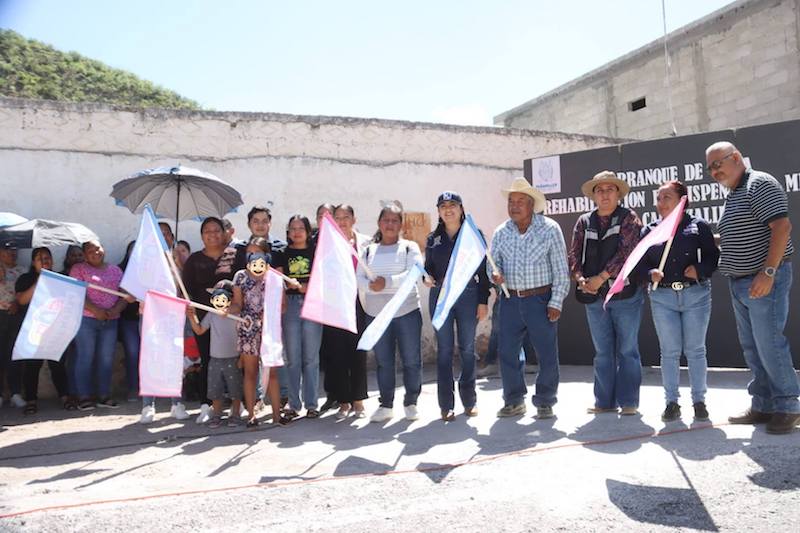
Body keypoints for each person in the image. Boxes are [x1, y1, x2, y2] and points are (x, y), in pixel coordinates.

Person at [706, 141, 800, 434]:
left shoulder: (759, 183)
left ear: (736, 158)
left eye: (718, 164)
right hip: (741, 282)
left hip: (762, 280)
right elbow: (740, 233)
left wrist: (768, 272)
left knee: (769, 344)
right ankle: (763, 404)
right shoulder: (734, 192)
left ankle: (788, 406)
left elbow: (782, 227)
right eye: (710, 167)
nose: (714, 171)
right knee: (753, 347)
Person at [638, 181, 719, 422]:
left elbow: (713, 258)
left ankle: (699, 401)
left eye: (667, 197)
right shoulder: (650, 230)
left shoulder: (698, 226)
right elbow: (639, 265)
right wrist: (649, 273)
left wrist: (700, 269)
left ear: (682, 201)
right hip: (662, 297)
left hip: (696, 295)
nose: (660, 203)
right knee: (670, 351)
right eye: (658, 198)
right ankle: (671, 402)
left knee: (695, 350)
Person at [490, 178, 569, 419]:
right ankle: (514, 400)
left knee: (546, 353)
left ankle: (545, 400)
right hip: (510, 300)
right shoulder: (501, 232)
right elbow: (492, 264)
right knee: (507, 353)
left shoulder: (550, 229)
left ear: (532, 204)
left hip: (540, 299)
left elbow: (561, 271)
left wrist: (556, 302)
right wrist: (494, 274)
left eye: (520, 202)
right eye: (511, 202)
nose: (514, 206)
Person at [569, 170, 644, 416]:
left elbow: (627, 253)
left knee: (627, 350)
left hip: (625, 297)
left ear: (618, 193)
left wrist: (601, 277)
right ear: (593, 195)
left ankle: (629, 401)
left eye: (609, 189)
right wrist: (580, 278)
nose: (604, 194)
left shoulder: (629, 218)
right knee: (602, 352)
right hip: (593, 298)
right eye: (599, 190)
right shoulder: (584, 221)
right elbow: (574, 255)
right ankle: (604, 401)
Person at [424, 191, 490, 421]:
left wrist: (483, 301)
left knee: (467, 350)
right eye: (443, 206)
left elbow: (483, 272)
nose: (448, 209)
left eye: (453, 205)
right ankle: (446, 405)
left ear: (461, 209)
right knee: (443, 351)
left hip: (468, 295)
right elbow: (428, 268)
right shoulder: (433, 239)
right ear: (439, 212)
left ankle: (469, 401)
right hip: (440, 296)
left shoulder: (473, 234)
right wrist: (426, 278)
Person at [357, 202, 424, 423]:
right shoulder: (367, 250)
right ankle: (386, 405)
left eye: (395, 220)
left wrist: (386, 282)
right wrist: (370, 286)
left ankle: (411, 402)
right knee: (384, 362)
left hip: (407, 313)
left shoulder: (409, 247)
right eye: (386, 220)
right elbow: (359, 279)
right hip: (377, 315)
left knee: (411, 360)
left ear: (401, 224)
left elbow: (414, 274)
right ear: (379, 223)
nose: (390, 224)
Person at [182, 217, 237, 417]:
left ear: (224, 233)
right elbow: (186, 290)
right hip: (204, 319)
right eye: (207, 231)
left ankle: (237, 403)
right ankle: (207, 404)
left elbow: (241, 284)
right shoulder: (194, 260)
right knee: (208, 361)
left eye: (216, 230)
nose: (212, 234)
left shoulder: (234, 255)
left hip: (231, 320)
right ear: (201, 235)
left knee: (235, 361)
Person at [229, 237, 285, 427]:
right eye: (249, 253)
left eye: (257, 252)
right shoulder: (240, 276)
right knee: (250, 373)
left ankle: (277, 415)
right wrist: (228, 310)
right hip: (248, 330)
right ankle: (251, 415)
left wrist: (269, 310)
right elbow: (237, 304)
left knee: (273, 374)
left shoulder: (275, 277)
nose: (253, 257)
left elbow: (283, 306)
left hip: (270, 331)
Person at [70, 239, 131, 410]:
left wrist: (116, 310)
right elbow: (76, 293)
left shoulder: (115, 270)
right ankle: (84, 396)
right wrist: (96, 310)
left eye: (97, 248)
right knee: (85, 357)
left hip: (111, 321)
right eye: (90, 251)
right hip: (87, 319)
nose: (95, 252)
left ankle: (104, 395)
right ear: (84, 255)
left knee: (106, 359)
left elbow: (124, 294)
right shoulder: (79, 269)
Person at [323, 204, 371, 419]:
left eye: (346, 217)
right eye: (338, 218)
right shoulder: (327, 244)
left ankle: (358, 402)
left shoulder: (366, 243)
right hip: (336, 304)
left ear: (354, 219)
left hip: (359, 303)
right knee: (338, 355)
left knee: (358, 353)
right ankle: (344, 402)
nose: (342, 221)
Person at [273, 215, 323, 419]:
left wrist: (306, 287)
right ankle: (294, 404)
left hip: (313, 304)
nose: (296, 232)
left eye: (300, 228)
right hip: (291, 306)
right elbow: (278, 280)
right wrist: (287, 291)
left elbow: (323, 278)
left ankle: (312, 404)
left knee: (311, 358)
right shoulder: (281, 252)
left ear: (308, 231)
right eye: (292, 228)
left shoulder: (317, 251)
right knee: (293, 358)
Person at [14, 247, 75, 413]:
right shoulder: (26, 279)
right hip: (34, 329)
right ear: (33, 263)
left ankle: (65, 397)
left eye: (47, 257)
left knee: (58, 365)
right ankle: (31, 401)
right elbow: (21, 300)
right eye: (40, 258)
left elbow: (70, 300)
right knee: (32, 366)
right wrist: (40, 279)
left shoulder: (61, 278)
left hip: (56, 329)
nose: (45, 261)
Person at [188, 280, 243, 428]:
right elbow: (200, 330)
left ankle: (236, 414)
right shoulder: (212, 314)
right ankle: (217, 415)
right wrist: (192, 317)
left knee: (235, 388)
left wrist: (242, 357)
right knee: (215, 389)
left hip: (233, 357)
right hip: (215, 359)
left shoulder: (237, 314)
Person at [0, 240, 25, 408]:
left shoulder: (22, 271)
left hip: (15, 316)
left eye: (14, 250)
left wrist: (18, 303)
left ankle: (16, 393)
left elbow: (24, 292)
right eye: (7, 250)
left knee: (14, 355)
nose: (12, 253)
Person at [117, 241, 141, 401]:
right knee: (132, 354)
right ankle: (133, 388)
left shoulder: (151, 270)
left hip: (149, 319)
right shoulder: (119, 270)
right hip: (129, 320)